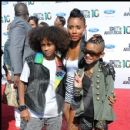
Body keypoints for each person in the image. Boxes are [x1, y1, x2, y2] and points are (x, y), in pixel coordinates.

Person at [63, 8, 116, 130]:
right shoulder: (63, 47)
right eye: (70, 27)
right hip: (67, 96)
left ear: (84, 27)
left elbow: (101, 73)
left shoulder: (88, 49)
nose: (74, 31)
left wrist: (109, 96)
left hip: (81, 98)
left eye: (78, 27)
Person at [18, 26, 70, 130]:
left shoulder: (61, 63)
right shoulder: (31, 61)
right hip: (33, 113)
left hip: (55, 114)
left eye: (49, 44)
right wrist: (22, 107)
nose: (46, 48)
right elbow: (21, 83)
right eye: (43, 45)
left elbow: (61, 88)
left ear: (56, 44)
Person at [73, 34, 116, 130]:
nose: (87, 55)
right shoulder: (80, 71)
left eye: (92, 53)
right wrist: (77, 88)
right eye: (86, 51)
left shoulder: (106, 70)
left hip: (101, 115)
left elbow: (110, 95)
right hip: (84, 115)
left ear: (101, 54)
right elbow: (76, 99)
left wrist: (102, 119)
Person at [8, 2, 35, 128]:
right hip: (24, 75)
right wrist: (17, 73)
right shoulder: (19, 24)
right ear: (27, 14)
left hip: (27, 73)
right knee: (26, 112)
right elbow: (15, 48)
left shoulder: (20, 24)